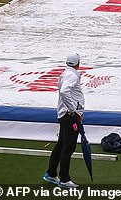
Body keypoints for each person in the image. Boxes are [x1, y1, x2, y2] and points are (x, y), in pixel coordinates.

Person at [43, 53, 85, 188]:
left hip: (64, 114)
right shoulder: (72, 76)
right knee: (69, 147)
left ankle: (51, 173)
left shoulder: (66, 73)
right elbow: (64, 92)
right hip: (69, 115)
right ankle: (64, 179)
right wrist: (73, 109)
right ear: (78, 63)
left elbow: (64, 92)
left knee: (61, 144)